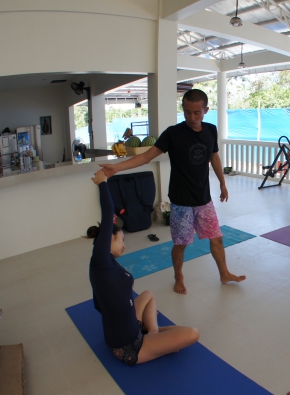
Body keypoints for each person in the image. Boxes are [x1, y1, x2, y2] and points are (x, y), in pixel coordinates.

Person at [100, 89, 244, 295]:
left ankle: (224, 273)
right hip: (181, 201)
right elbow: (146, 157)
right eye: (187, 112)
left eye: (196, 113)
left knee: (217, 238)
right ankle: (178, 276)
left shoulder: (211, 130)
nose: (191, 117)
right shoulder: (173, 133)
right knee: (181, 244)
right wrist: (117, 168)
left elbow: (214, 157)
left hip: (203, 199)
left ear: (206, 110)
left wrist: (222, 182)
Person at [86, 169, 199, 366]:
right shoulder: (101, 261)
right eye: (121, 239)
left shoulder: (101, 265)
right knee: (192, 333)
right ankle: (154, 337)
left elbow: (99, 304)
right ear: (108, 238)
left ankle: (153, 332)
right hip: (130, 346)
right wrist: (103, 183)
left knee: (148, 294)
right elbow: (107, 211)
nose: (124, 245)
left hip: (130, 325)